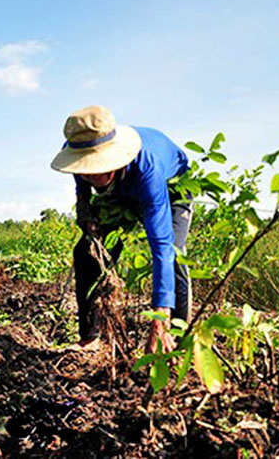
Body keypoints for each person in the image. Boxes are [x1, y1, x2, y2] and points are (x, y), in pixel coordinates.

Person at [50, 106, 192, 354]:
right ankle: (89, 338)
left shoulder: (148, 170)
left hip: (171, 189)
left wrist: (159, 322)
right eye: (83, 168)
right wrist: (84, 206)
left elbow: (161, 247)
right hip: (120, 190)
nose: (88, 174)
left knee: (174, 253)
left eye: (95, 168)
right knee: (87, 251)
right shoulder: (77, 147)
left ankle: (175, 337)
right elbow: (81, 184)